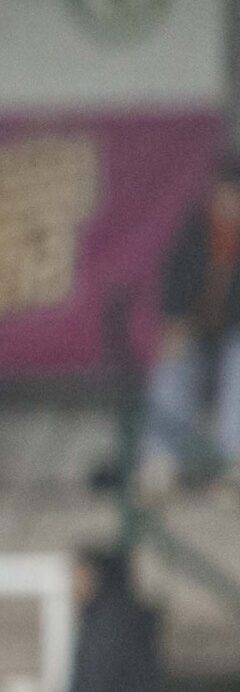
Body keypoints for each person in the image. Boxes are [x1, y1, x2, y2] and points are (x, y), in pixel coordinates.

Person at [141, 155, 240, 496]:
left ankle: (233, 464)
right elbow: (174, 293)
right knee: (172, 363)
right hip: (198, 339)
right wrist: (177, 326)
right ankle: (162, 462)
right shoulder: (194, 233)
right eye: (226, 193)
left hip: (232, 342)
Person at [24, 545, 165, 692]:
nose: (73, 585)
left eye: (78, 575)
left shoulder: (108, 629)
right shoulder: (123, 623)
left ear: (93, 576)